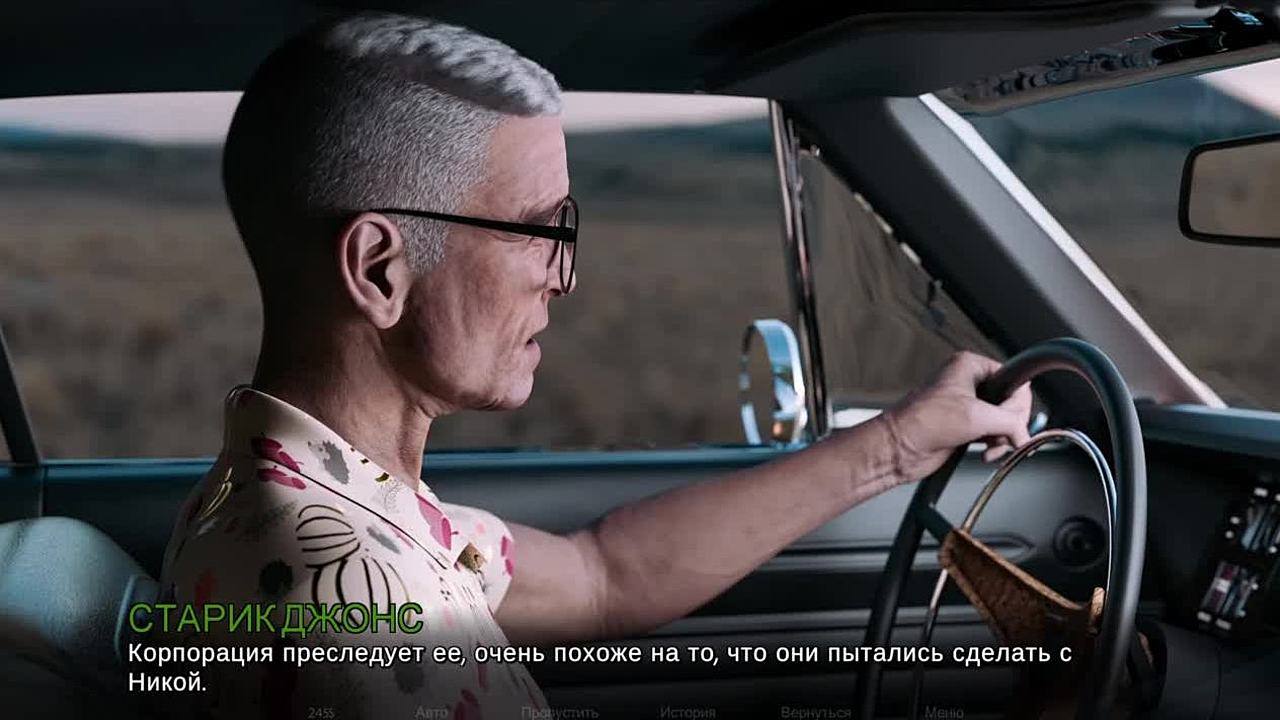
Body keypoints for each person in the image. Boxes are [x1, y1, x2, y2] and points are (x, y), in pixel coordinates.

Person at [157, 11, 1032, 718]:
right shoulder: (345, 600)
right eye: (537, 232)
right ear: (381, 271)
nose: (563, 278)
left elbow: (604, 574)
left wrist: (897, 445)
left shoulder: (334, 503)